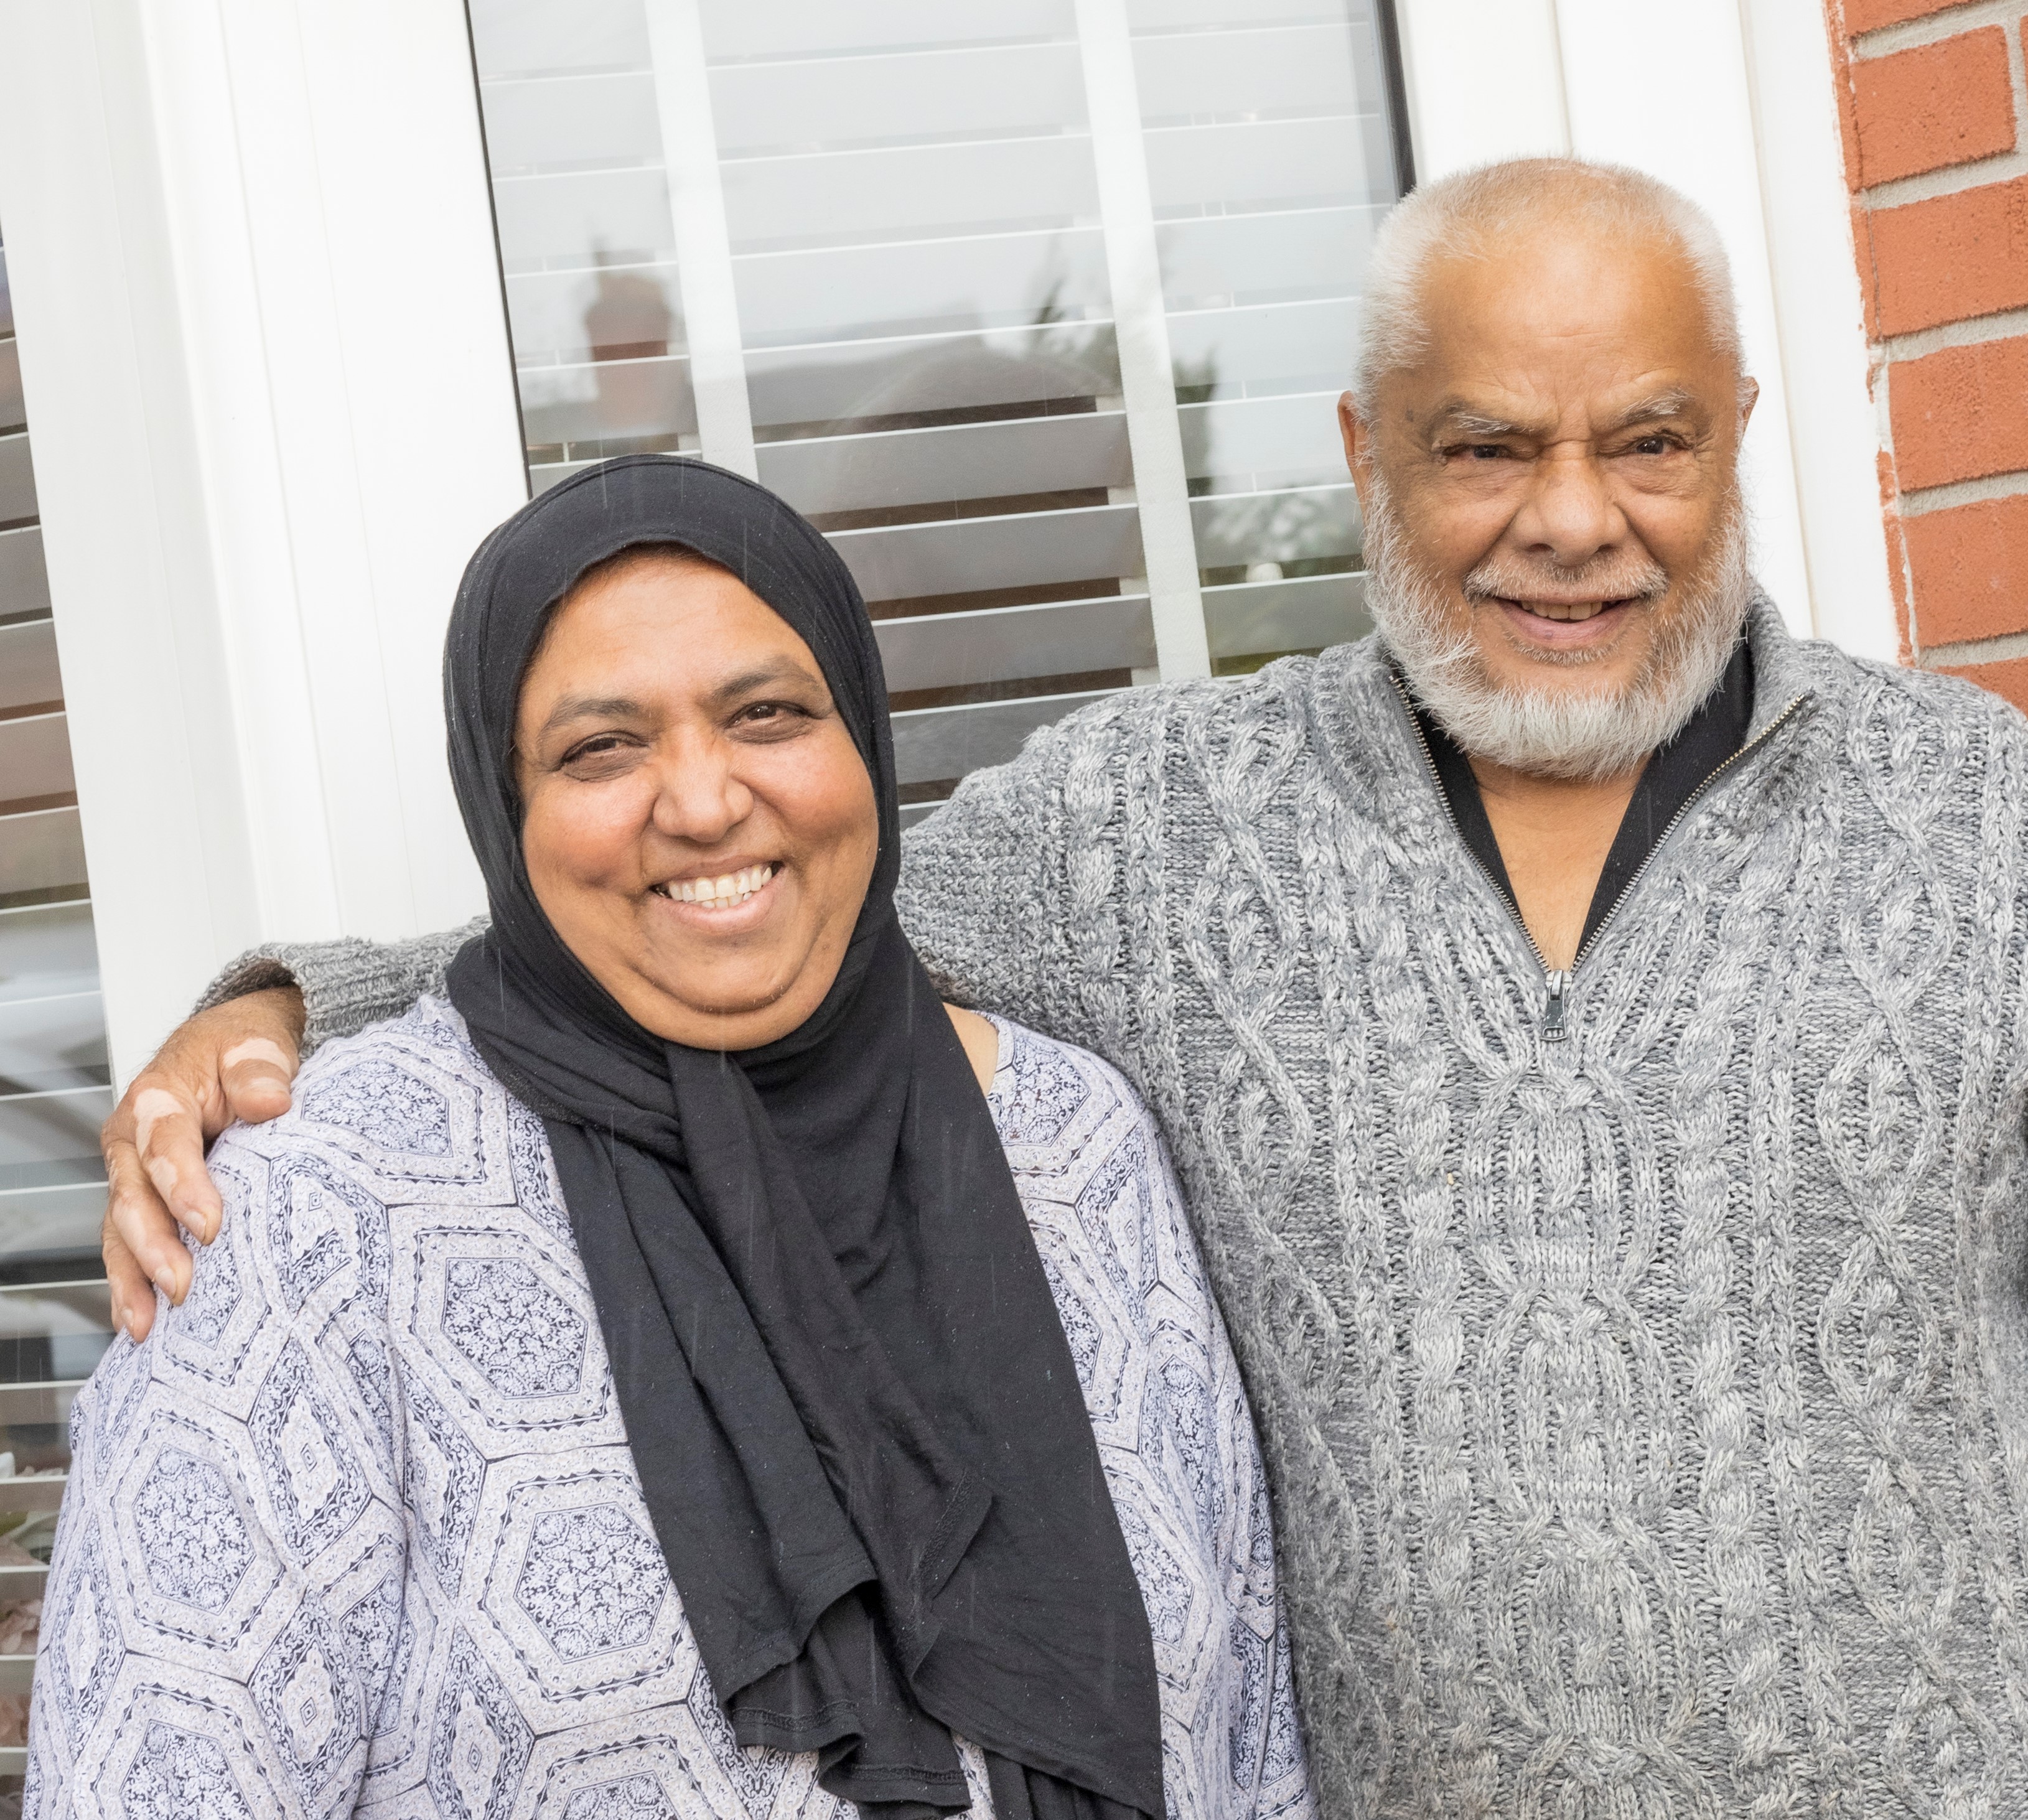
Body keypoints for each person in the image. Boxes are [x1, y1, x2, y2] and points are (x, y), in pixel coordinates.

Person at [98, 159, 2028, 1817]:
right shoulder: (1160, 829)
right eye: (1489, 443)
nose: (1574, 520)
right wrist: (306, 999)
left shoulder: (1993, 827)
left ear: (1730, 437)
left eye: (1643, 438)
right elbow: (766, 895)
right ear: (1368, 453)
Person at [32, 459, 1311, 1820]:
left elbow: (1252, 1746)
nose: (703, 802)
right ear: (501, 804)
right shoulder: (318, 1214)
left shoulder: (1070, 1143)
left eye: (768, 713)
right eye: (601, 747)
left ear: (864, 740)